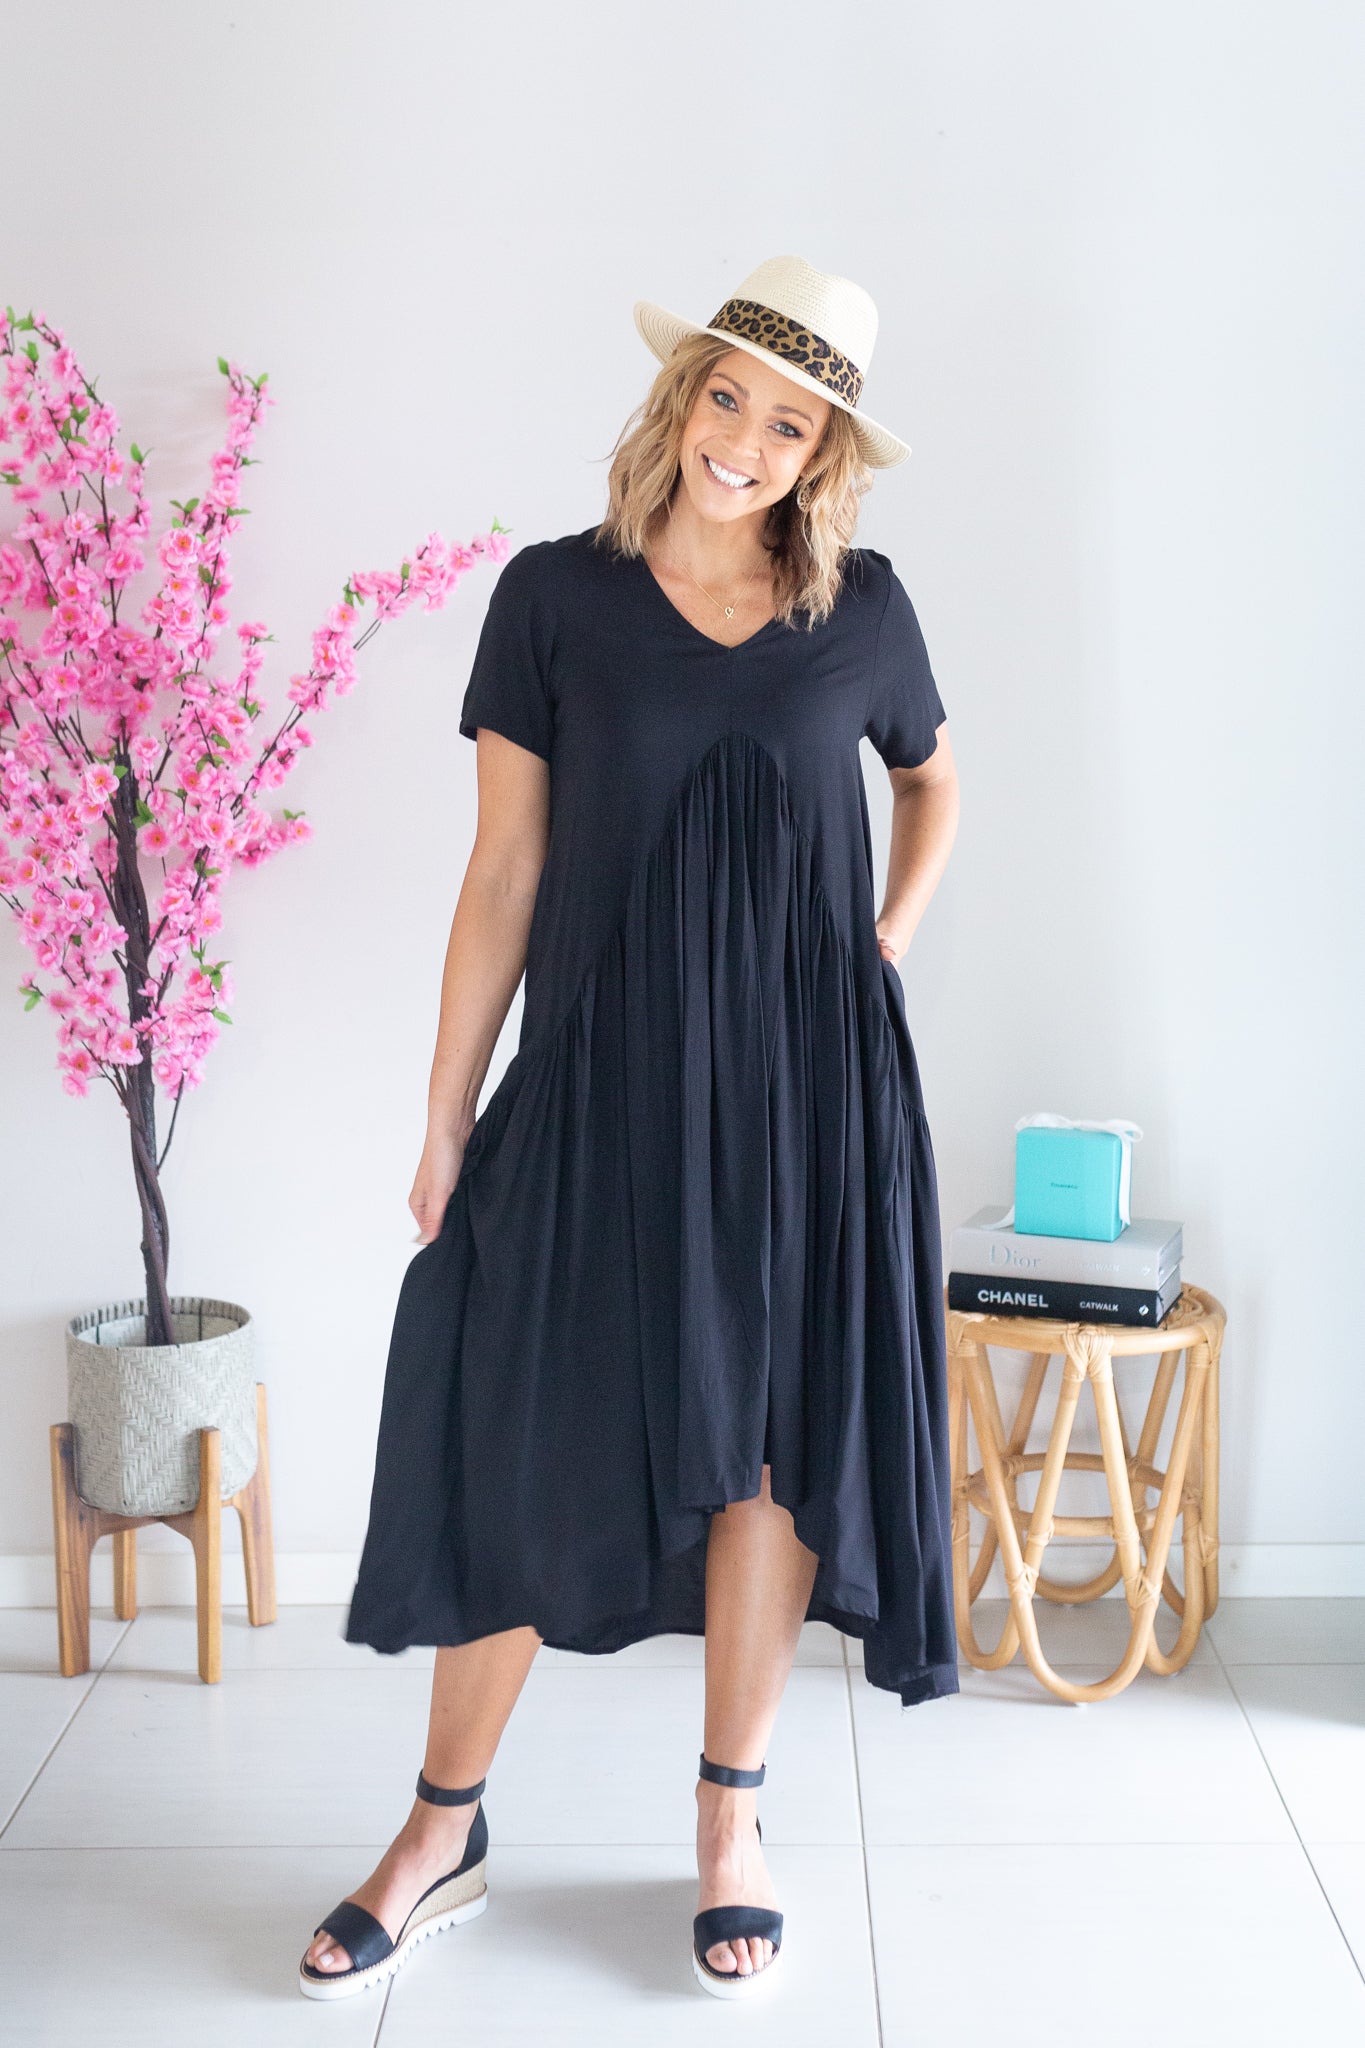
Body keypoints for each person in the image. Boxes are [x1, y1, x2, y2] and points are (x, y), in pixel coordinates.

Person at [299, 254, 961, 2005]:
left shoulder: (864, 609)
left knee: (767, 1450)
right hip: (602, 1080)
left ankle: (729, 1821)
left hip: (810, 1096)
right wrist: (447, 1113)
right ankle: (441, 1829)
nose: (744, 440)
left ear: (823, 455)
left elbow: (932, 779)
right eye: (726, 397)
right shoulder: (551, 598)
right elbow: (501, 869)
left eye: (788, 423)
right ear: (681, 400)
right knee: (528, 1427)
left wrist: (885, 943)